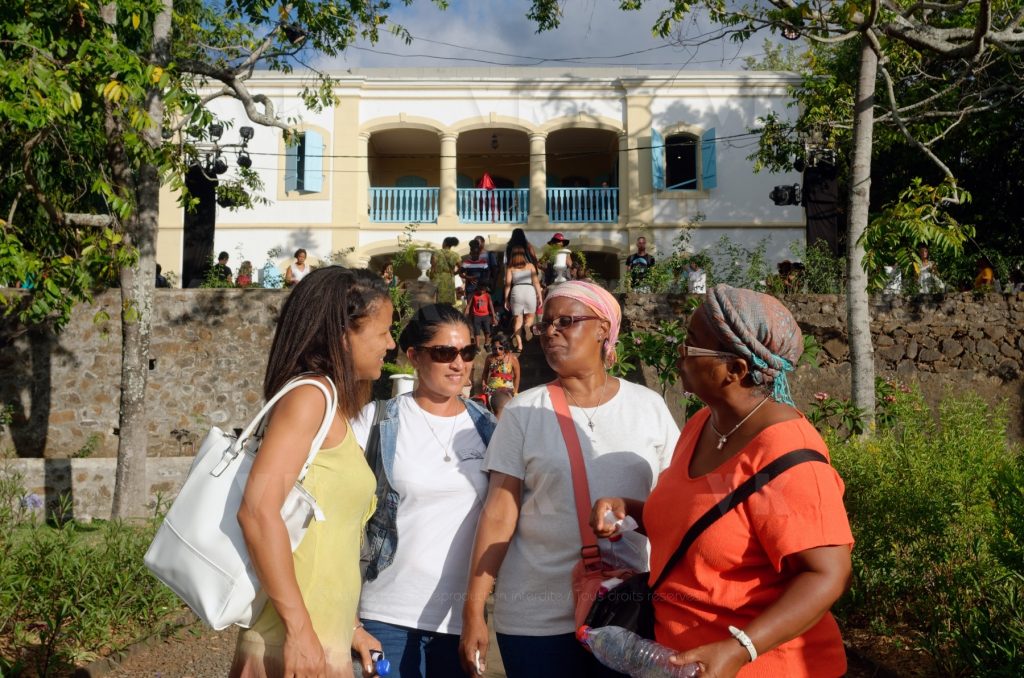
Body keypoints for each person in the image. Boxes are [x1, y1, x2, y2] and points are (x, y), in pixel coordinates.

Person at [592, 284, 854, 678]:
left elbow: (828, 574)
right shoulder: (704, 425)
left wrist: (740, 648)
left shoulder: (789, 457)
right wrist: (629, 511)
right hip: (680, 662)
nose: (679, 352)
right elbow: (712, 518)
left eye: (691, 344)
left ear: (735, 369)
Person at [460, 280, 680, 678]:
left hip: (624, 612)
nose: (550, 332)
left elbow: (675, 508)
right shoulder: (524, 412)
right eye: (545, 324)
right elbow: (498, 514)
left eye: (566, 321)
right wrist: (474, 610)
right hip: (536, 620)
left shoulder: (649, 408)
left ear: (602, 329)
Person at [231, 267, 397, 678]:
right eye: (383, 332)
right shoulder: (310, 397)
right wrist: (300, 631)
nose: (391, 344)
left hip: (321, 642)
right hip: (292, 647)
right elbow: (257, 511)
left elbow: (330, 540)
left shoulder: (333, 406)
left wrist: (352, 628)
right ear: (343, 335)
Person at [350, 304, 496, 678]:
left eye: (468, 352)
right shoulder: (377, 420)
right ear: (414, 356)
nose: (459, 364)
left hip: (460, 620)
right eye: (445, 352)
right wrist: (350, 622)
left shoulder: (488, 428)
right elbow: (339, 518)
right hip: (385, 614)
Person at [503, 245, 542, 353]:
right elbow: (536, 282)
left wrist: (506, 299)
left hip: (517, 291)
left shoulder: (510, 268)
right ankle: (526, 326)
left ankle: (519, 346)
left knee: (517, 319)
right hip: (529, 290)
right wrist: (540, 296)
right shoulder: (530, 266)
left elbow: (507, 285)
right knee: (530, 317)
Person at [431, 237, 461, 305]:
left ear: (445, 243)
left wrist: (431, 276)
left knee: (438, 300)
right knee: (448, 301)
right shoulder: (455, 255)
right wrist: (454, 273)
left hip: (438, 278)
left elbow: (433, 266)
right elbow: (461, 268)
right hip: (450, 278)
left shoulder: (437, 253)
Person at [467, 283, 498, 349]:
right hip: (476, 316)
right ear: (477, 289)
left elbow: (491, 306)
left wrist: (493, 316)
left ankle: (486, 344)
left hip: (486, 316)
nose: (482, 291)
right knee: (477, 332)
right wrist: (466, 313)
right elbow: (469, 305)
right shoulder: (474, 295)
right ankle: (477, 346)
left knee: (487, 331)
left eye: (483, 290)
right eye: (480, 289)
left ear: (485, 289)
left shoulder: (487, 295)